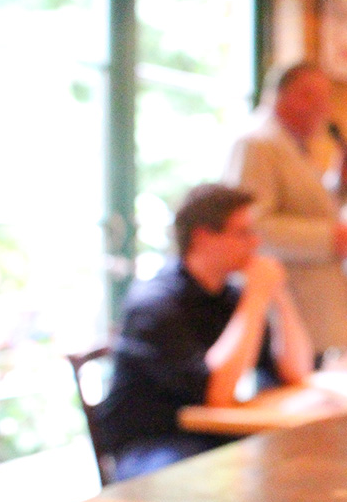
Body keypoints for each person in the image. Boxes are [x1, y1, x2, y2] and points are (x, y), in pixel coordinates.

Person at [99, 183, 315, 480]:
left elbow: (295, 372)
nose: (255, 243)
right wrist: (255, 297)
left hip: (210, 438)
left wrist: (279, 296)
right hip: (154, 446)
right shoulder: (153, 304)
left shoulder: (228, 298)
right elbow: (215, 394)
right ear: (203, 237)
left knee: (301, 461)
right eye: (243, 233)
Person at [224, 62, 347, 359]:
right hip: (283, 320)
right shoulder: (258, 144)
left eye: (325, 99)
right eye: (310, 96)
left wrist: (339, 186)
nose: (323, 108)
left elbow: (306, 212)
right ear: (279, 94)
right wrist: (330, 238)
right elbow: (251, 228)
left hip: (314, 321)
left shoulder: (295, 146)